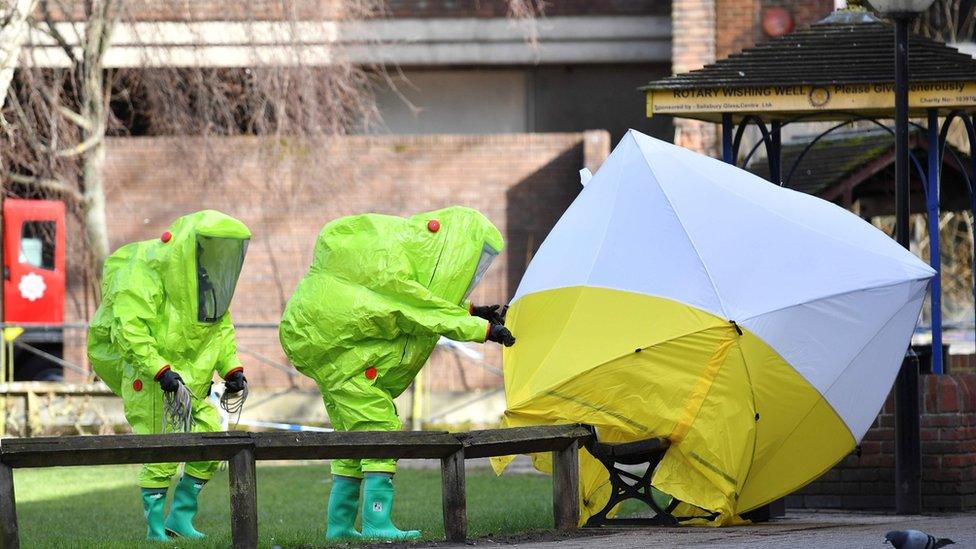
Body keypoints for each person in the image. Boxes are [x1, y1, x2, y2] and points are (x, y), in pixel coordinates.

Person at [279, 206, 515, 541]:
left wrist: (476, 312)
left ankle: (340, 528)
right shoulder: (392, 269)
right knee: (380, 428)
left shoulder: (394, 259)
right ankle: (377, 524)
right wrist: (484, 331)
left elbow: (423, 301)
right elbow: (417, 308)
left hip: (334, 353)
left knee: (352, 439)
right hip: (344, 359)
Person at [88, 210, 251, 542]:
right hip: (151, 382)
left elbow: (220, 331)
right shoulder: (145, 273)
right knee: (162, 450)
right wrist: (159, 370)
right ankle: (154, 529)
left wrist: (232, 368)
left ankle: (180, 516)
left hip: (190, 381)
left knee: (211, 439)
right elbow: (129, 329)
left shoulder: (208, 282)